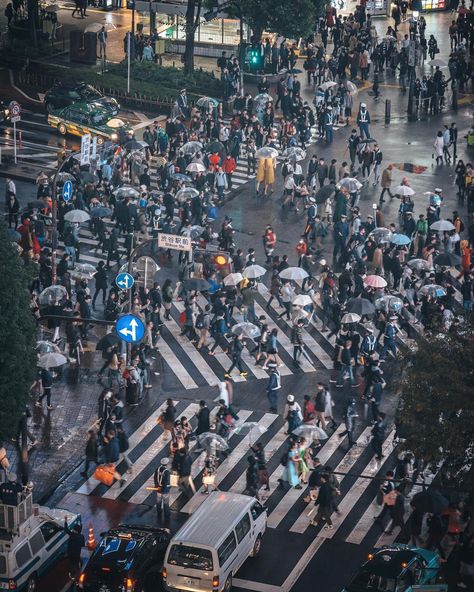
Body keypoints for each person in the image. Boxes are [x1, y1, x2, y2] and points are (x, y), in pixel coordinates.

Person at [63, 519, 85, 583]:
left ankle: (72, 576)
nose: (73, 530)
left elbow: (66, 529)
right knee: (76, 564)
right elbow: (82, 545)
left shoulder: (72, 535)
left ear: (75, 530)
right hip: (77, 553)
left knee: (72, 564)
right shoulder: (81, 537)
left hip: (70, 553)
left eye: (74, 529)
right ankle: (78, 576)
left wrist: (65, 521)